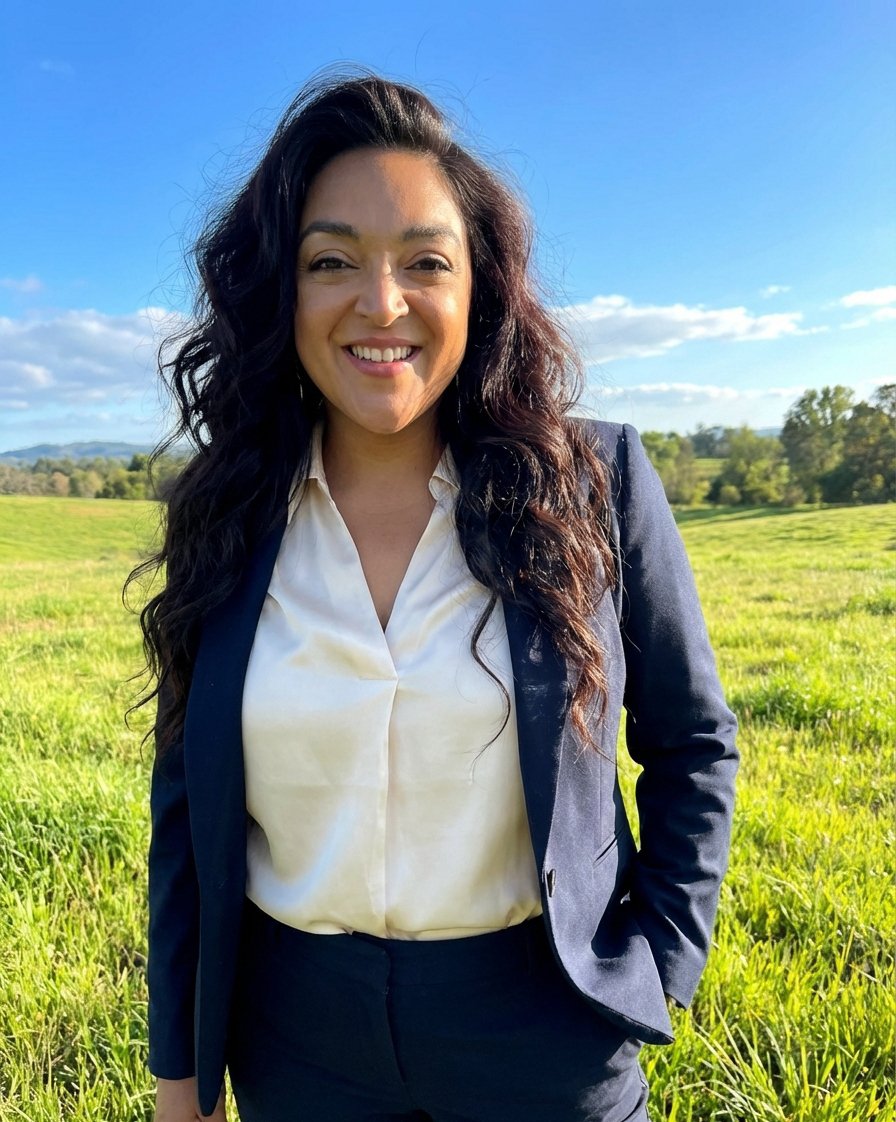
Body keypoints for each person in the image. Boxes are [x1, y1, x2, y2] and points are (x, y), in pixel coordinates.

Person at [133, 71, 738, 1122]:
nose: (380, 304)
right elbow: (187, 812)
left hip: (541, 1027)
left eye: (423, 262)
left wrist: (657, 963)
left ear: (478, 289)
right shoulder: (223, 514)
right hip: (297, 1040)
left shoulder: (591, 485)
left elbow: (692, 744)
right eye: (331, 261)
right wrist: (180, 1073)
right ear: (283, 286)